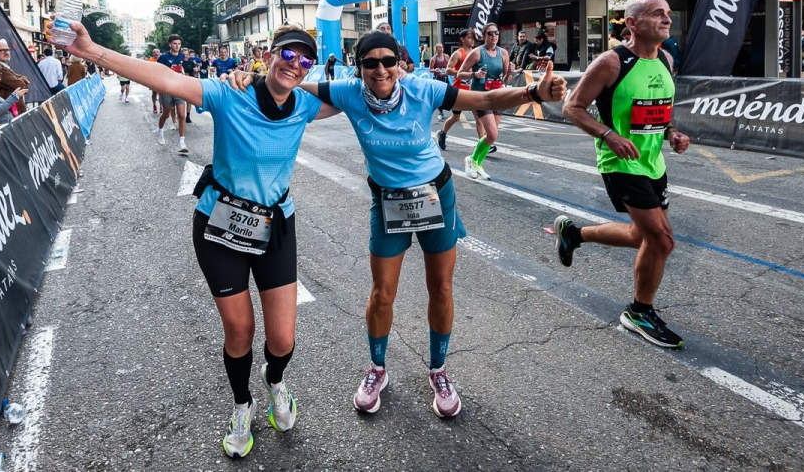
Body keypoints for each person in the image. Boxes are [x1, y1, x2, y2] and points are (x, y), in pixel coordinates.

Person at [228, 31, 566, 419]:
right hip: (388, 202)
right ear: (359, 69)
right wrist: (247, 79)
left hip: (436, 196)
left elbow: (486, 99)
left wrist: (534, 94)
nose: (380, 69)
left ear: (400, 62)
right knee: (382, 292)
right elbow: (289, 83)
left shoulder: (423, 90)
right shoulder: (349, 92)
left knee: (440, 286)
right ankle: (377, 368)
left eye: (388, 60)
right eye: (370, 63)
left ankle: (438, 370)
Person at [58, 20, 330, 460]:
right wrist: (92, 51)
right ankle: (243, 404)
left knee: (281, 340)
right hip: (219, 227)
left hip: (275, 225)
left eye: (305, 59)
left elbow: (365, 92)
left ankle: (276, 382)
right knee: (240, 331)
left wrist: (394, 76)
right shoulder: (231, 93)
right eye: (287, 53)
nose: (294, 64)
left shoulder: (304, 105)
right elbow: (165, 79)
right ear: (270, 53)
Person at [557, 0, 692, 349]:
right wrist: (608, 135)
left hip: (652, 163)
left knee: (640, 237)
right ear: (632, 23)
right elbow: (572, 107)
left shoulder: (665, 59)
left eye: (668, 13)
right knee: (662, 240)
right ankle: (639, 311)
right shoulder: (612, 62)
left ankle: (574, 233)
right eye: (657, 14)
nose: (666, 19)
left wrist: (671, 134)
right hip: (620, 162)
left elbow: (659, 111)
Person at [457, 22, 511, 180]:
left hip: (497, 96)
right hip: (480, 97)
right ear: (484, 36)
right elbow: (460, 74)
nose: (494, 36)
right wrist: (475, 75)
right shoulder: (476, 53)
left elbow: (506, 79)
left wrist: (510, 72)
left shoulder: (504, 53)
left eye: (496, 33)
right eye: (490, 33)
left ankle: (477, 163)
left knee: (491, 135)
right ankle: (471, 159)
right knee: (492, 135)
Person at [435, 29, 481, 151]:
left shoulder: (477, 53)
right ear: (463, 39)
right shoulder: (458, 53)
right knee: (456, 117)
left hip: (473, 89)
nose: (472, 40)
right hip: (459, 90)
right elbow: (448, 70)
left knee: (479, 116)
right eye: (470, 38)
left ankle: (483, 145)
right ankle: (442, 133)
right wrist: (463, 73)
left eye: (473, 38)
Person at [156, 34, 189, 155]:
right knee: (166, 114)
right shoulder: (164, 57)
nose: (177, 46)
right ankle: (160, 131)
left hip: (179, 88)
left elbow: (181, 68)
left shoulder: (181, 55)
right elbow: (157, 71)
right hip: (166, 89)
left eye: (179, 44)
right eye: (175, 43)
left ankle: (182, 143)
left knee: (181, 114)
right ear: (170, 44)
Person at [0, 41, 31, 114]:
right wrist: (21, 80)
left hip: (12, 110)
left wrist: (20, 79)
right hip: (10, 112)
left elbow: (22, 81)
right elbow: (20, 85)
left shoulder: (2, 66)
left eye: (8, 50)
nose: (6, 53)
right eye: (2, 51)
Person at [428, 43, 450, 119]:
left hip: (445, 79)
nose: (441, 49)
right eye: (439, 47)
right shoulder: (433, 59)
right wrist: (435, 70)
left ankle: (446, 108)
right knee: (439, 96)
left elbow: (450, 66)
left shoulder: (446, 57)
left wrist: (448, 69)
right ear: (436, 49)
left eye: (442, 47)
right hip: (438, 79)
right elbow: (430, 69)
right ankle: (441, 112)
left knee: (447, 95)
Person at [149, 48, 163, 113]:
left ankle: (161, 106)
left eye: (157, 52)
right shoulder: (151, 60)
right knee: (154, 93)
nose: (156, 53)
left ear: (160, 53)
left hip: (161, 78)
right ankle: (154, 105)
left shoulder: (163, 59)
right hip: (153, 79)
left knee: (161, 93)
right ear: (153, 54)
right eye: (155, 52)